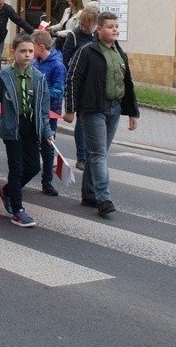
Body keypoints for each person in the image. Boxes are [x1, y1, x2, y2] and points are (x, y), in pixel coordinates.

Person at [63, 11, 140, 218]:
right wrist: (69, 109)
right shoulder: (86, 51)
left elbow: (127, 83)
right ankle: (104, 199)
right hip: (92, 109)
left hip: (114, 109)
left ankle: (89, 194)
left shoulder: (119, 53)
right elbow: (72, 79)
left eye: (116, 26)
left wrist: (132, 112)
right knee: (98, 154)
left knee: (97, 154)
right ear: (99, 29)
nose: (115, 29)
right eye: (110, 26)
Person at [0, 34, 52, 228]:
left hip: (31, 128)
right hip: (12, 127)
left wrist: (47, 131)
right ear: (13, 52)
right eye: (23, 51)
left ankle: (6, 191)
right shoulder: (4, 76)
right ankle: (18, 210)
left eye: (30, 51)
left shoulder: (39, 78)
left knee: (33, 167)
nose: (27, 55)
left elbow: (43, 107)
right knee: (16, 168)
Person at [62, 5, 99, 170]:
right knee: (82, 120)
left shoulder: (97, 35)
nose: (84, 27)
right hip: (80, 83)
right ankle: (81, 157)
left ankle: (93, 154)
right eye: (82, 24)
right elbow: (65, 59)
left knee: (92, 120)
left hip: (95, 84)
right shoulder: (74, 35)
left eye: (87, 25)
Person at [32, 29, 66, 196]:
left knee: (47, 146)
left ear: (41, 46)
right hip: (33, 109)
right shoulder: (36, 62)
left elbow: (58, 91)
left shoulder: (57, 65)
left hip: (49, 112)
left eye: (32, 48)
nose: (30, 52)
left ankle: (47, 182)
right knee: (31, 144)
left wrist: (40, 93)